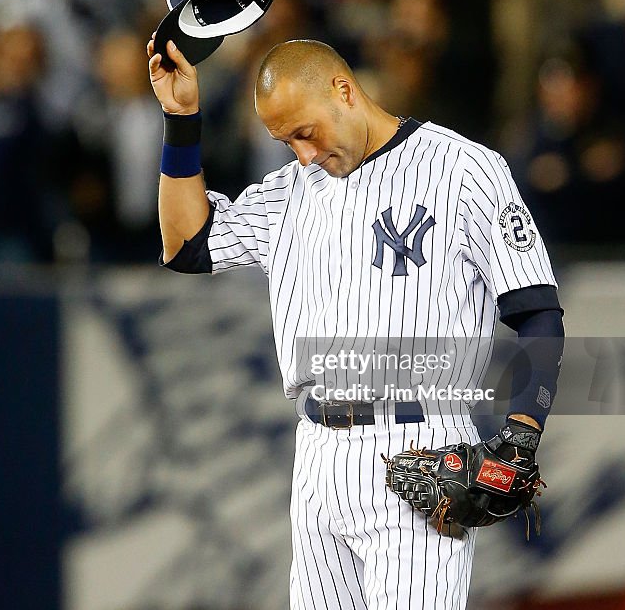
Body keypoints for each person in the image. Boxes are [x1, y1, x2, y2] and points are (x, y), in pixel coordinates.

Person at [147, 37, 564, 609]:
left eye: (305, 131)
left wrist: (521, 435)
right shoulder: (291, 191)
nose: (302, 154)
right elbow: (185, 245)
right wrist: (180, 119)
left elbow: (537, 311)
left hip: (421, 445)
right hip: (318, 452)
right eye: (285, 140)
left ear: (344, 90)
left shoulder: (462, 169)